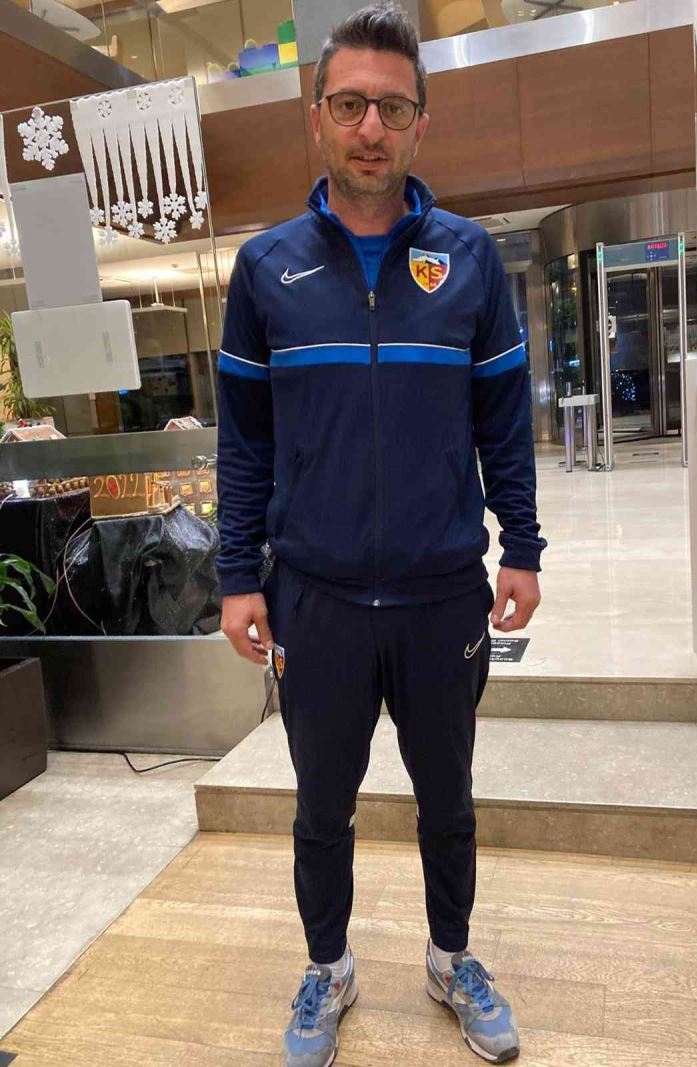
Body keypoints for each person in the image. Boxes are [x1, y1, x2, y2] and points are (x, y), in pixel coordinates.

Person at [216, 4, 546, 1063]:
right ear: (316, 115)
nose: (371, 127)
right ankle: (328, 967)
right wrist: (236, 574)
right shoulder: (266, 269)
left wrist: (522, 547)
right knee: (322, 808)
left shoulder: (469, 261)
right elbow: (244, 444)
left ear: (420, 124)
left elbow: (503, 423)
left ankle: (451, 956)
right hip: (313, 597)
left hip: (441, 592)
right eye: (351, 104)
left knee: (448, 801)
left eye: (393, 108)